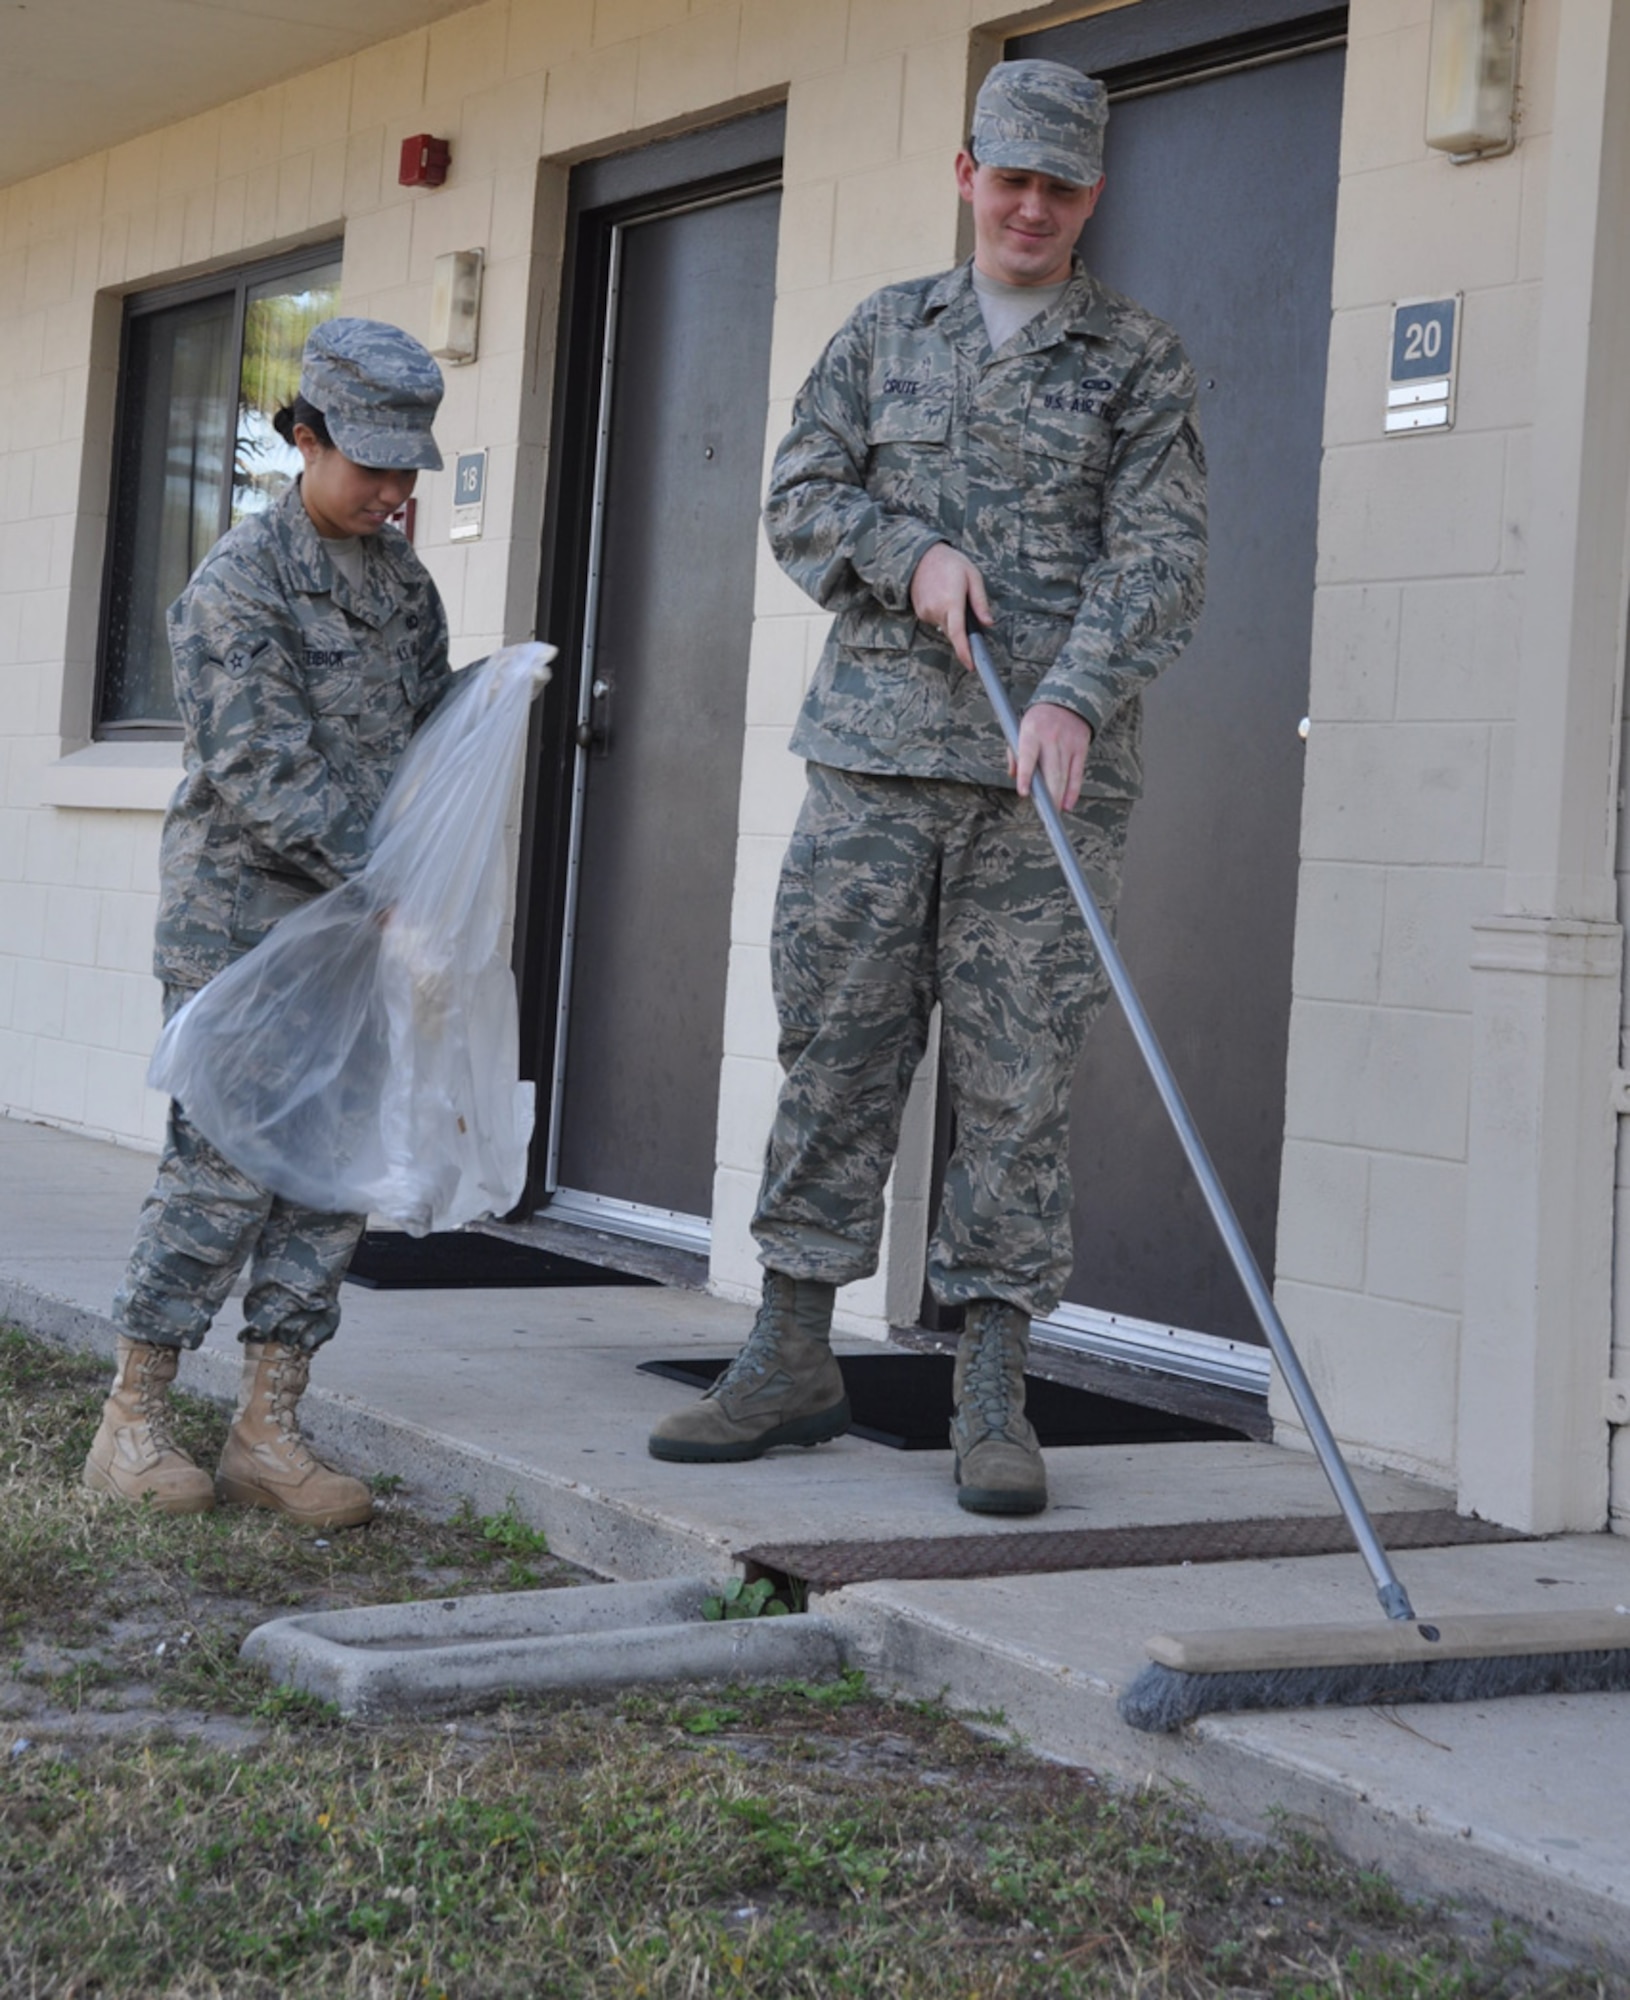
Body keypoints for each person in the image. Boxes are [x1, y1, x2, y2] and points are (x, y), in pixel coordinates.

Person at [648, 59, 1208, 1514]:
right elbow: (797, 498)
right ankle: (786, 1356)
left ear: (1091, 194)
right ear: (966, 174)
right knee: (832, 1057)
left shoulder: (1137, 361)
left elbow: (1160, 555)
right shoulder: (882, 334)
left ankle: (991, 1389)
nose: (1030, 206)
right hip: (874, 769)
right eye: (1008, 177)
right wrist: (911, 556)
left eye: (1059, 184)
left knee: (1014, 1090)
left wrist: (1076, 688)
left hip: (1042, 789)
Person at [83, 318, 453, 1527]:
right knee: (225, 1170)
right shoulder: (235, 586)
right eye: (372, 465)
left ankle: (267, 1429)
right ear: (304, 437)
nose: (394, 491)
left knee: (329, 1175)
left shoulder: (405, 590)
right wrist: (388, 881)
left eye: (410, 469)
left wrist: (490, 708)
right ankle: (131, 1419)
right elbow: (263, 767)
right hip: (243, 926)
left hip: (357, 934)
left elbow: (418, 746)